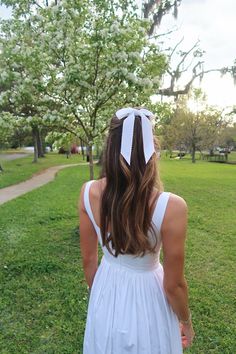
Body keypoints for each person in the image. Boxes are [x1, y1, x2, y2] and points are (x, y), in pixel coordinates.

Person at [79, 107, 195, 353]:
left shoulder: (88, 192)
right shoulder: (172, 206)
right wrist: (186, 321)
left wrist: (103, 298)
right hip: (148, 296)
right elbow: (173, 285)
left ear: (110, 146)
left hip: (106, 286)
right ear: (152, 150)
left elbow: (89, 261)